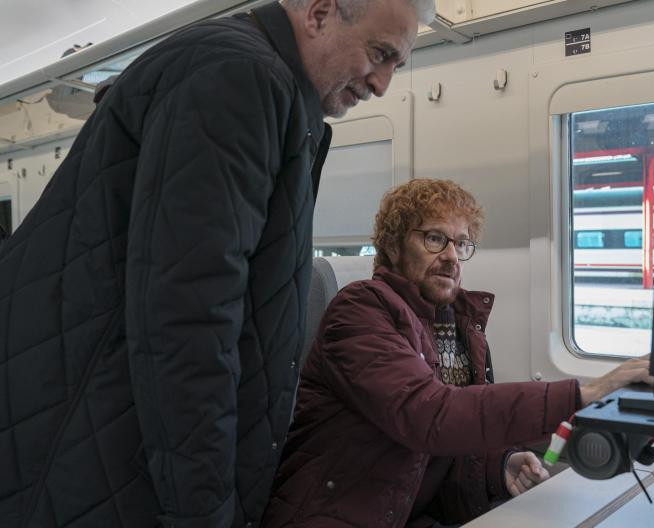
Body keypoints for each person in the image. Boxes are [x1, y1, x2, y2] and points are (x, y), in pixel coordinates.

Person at [0, 1, 434, 526]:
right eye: (379, 53)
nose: (384, 84)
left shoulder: (262, 87)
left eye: (397, 65)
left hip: (108, 440)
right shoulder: (239, 78)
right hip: (91, 446)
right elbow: (188, 322)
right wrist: (201, 512)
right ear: (319, 12)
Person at [263, 179, 653, 527]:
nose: (452, 255)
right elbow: (431, 416)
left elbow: (441, 451)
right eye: (435, 239)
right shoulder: (360, 312)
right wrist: (582, 395)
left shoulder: (457, 326)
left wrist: (497, 468)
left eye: (461, 243)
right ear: (395, 245)